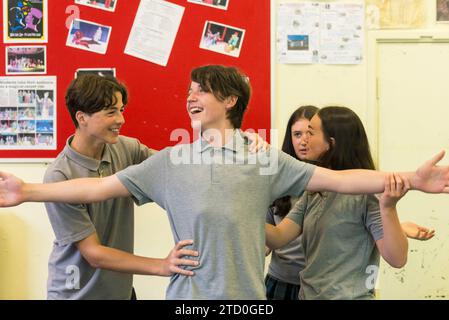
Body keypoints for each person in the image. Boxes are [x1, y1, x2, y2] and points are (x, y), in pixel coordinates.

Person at [1, 65, 449, 300]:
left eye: (201, 90)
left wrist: (411, 179)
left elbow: (338, 179)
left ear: (231, 100)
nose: (190, 96)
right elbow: (95, 188)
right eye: (188, 91)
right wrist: (28, 191)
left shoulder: (265, 159)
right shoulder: (172, 162)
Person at [28, 75, 201, 299]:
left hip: (120, 292)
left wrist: (240, 143)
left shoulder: (127, 149)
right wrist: (162, 266)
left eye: (121, 110)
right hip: (77, 294)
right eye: (111, 112)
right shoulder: (60, 175)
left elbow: (177, 167)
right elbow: (94, 253)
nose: (121, 119)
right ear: (82, 117)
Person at [265, 106, 435, 300]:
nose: (303, 140)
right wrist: (240, 212)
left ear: (331, 143)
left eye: (310, 133)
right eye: (299, 134)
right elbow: (278, 237)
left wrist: (389, 207)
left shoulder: (367, 196)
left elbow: (397, 258)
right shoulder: (314, 192)